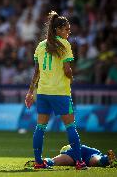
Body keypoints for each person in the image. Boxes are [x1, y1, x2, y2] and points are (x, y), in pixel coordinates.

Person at [24, 11, 87, 170]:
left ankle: (38, 162)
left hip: (43, 92)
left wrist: (30, 92)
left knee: (40, 127)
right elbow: (67, 70)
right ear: (58, 29)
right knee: (70, 127)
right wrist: (72, 77)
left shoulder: (40, 46)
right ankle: (79, 162)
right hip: (60, 92)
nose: (68, 32)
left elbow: (36, 72)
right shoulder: (64, 44)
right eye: (66, 29)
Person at [24, 145, 117, 168]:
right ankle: (107, 158)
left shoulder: (65, 150)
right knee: (97, 160)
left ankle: (41, 162)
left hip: (71, 152)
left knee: (54, 161)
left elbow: (63, 155)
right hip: (90, 151)